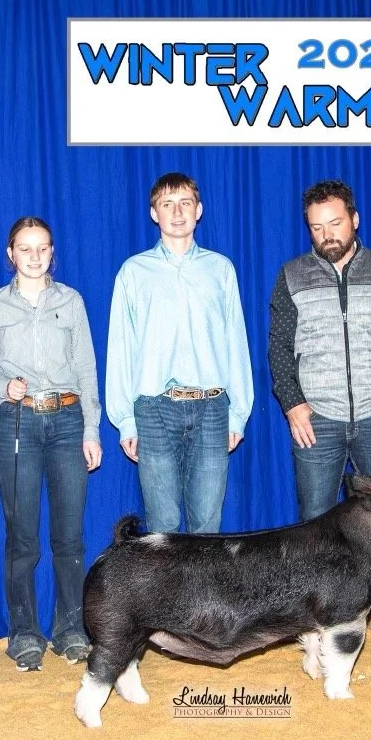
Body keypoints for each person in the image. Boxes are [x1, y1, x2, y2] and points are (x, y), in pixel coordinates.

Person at [268, 179, 371, 635]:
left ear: (354, 220)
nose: (328, 234)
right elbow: (279, 347)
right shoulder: (291, 276)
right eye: (317, 227)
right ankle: (309, 615)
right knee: (314, 524)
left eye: (335, 223)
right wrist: (293, 405)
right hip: (315, 418)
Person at [0, 217, 102, 672]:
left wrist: (91, 429)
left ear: (52, 252)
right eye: (25, 249)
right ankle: (24, 632)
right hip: (18, 423)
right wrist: (4, 386)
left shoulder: (72, 301)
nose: (34, 256)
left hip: (66, 419)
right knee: (22, 538)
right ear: (11, 253)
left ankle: (71, 628)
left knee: (69, 536)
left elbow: (86, 369)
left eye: (42, 247)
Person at [105, 172, 253, 534]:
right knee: (163, 528)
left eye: (185, 202)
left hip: (213, 407)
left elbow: (236, 343)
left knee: (207, 527)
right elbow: (121, 348)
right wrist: (125, 419)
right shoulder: (133, 273)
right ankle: (164, 595)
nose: (177, 212)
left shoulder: (220, 270)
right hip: (154, 408)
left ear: (198, 210)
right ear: (154, 213)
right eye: (167, 204)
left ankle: (205, 596)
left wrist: (238, 415)